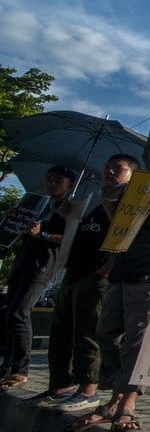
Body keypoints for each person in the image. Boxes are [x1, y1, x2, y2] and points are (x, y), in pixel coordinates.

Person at [75, 133, 150, 431]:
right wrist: (107, 201)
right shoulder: (138, 185)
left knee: (137, 340)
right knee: (105, 333)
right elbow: (122, 223)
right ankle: (117, 394)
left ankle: (127, 402)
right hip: (122, 269)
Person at [23, 155, 139, 412]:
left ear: (131, 176)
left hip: (96, 275)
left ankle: (88, 389)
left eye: (118, 169)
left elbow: (124, 235)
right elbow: (79, 235)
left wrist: (107, 268)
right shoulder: (95, 202)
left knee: (88, 332)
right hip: (74, 272)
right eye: (108, 166)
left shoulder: (130, 202)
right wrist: (68, 216)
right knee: (62, 331)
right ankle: (60, 384)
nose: (109, 171)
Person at [0, 165, 75, 391]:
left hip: (42, 267)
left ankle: (21, 370)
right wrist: (14, 218)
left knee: (20, 313)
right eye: (50, 179)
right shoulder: (39, 205)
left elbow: (69, 238)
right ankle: (7, 366)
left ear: (69, 184)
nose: (52, 184)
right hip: (22, 263)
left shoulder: (69, 209)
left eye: (58, 180)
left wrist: (42, 234)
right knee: (10, 313)